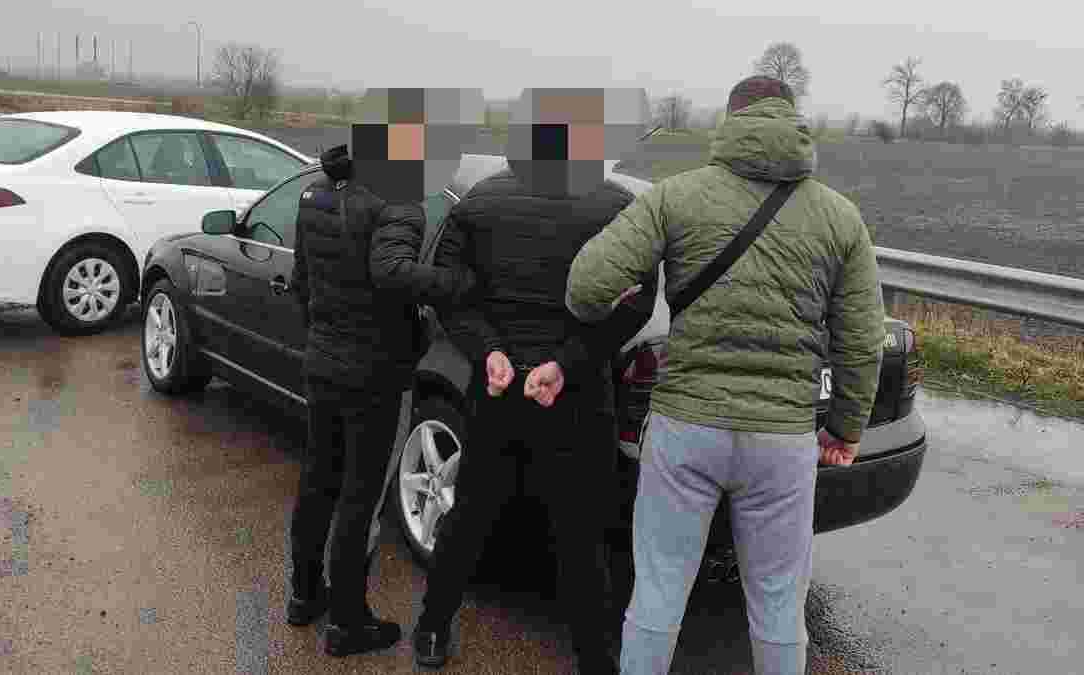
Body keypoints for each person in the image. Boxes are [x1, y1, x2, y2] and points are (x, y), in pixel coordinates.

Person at [564, 76, 887, 675]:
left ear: (730, 120)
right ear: (792, 120)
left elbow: (586, 285)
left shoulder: (675, 196)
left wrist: (601, 312)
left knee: (659, 590)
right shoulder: (839, 217)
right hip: (782, 440)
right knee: (778, 602)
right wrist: (845, 429)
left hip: (685, 428)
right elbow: (862, 342)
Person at [411, 87, 658, 675]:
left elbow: (449, 294)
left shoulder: (479, 200)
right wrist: (566, 363)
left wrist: (489, 352)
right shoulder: (616, 205)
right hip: (575, 396)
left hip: (497, 392)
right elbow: (638, 302)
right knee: (580, 535)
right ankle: (595, 659)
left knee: (468, 517)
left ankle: (431, 631)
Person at [287, 87, 483, 659]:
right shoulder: (399, 202)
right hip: (375, 375)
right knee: (361, 496)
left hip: (323, 364)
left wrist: (324, 336)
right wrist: (459, 285)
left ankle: (304, 595)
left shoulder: (315, 192)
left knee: (317, 482)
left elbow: (302, 284)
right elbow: (392, 271)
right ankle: (348, 622)